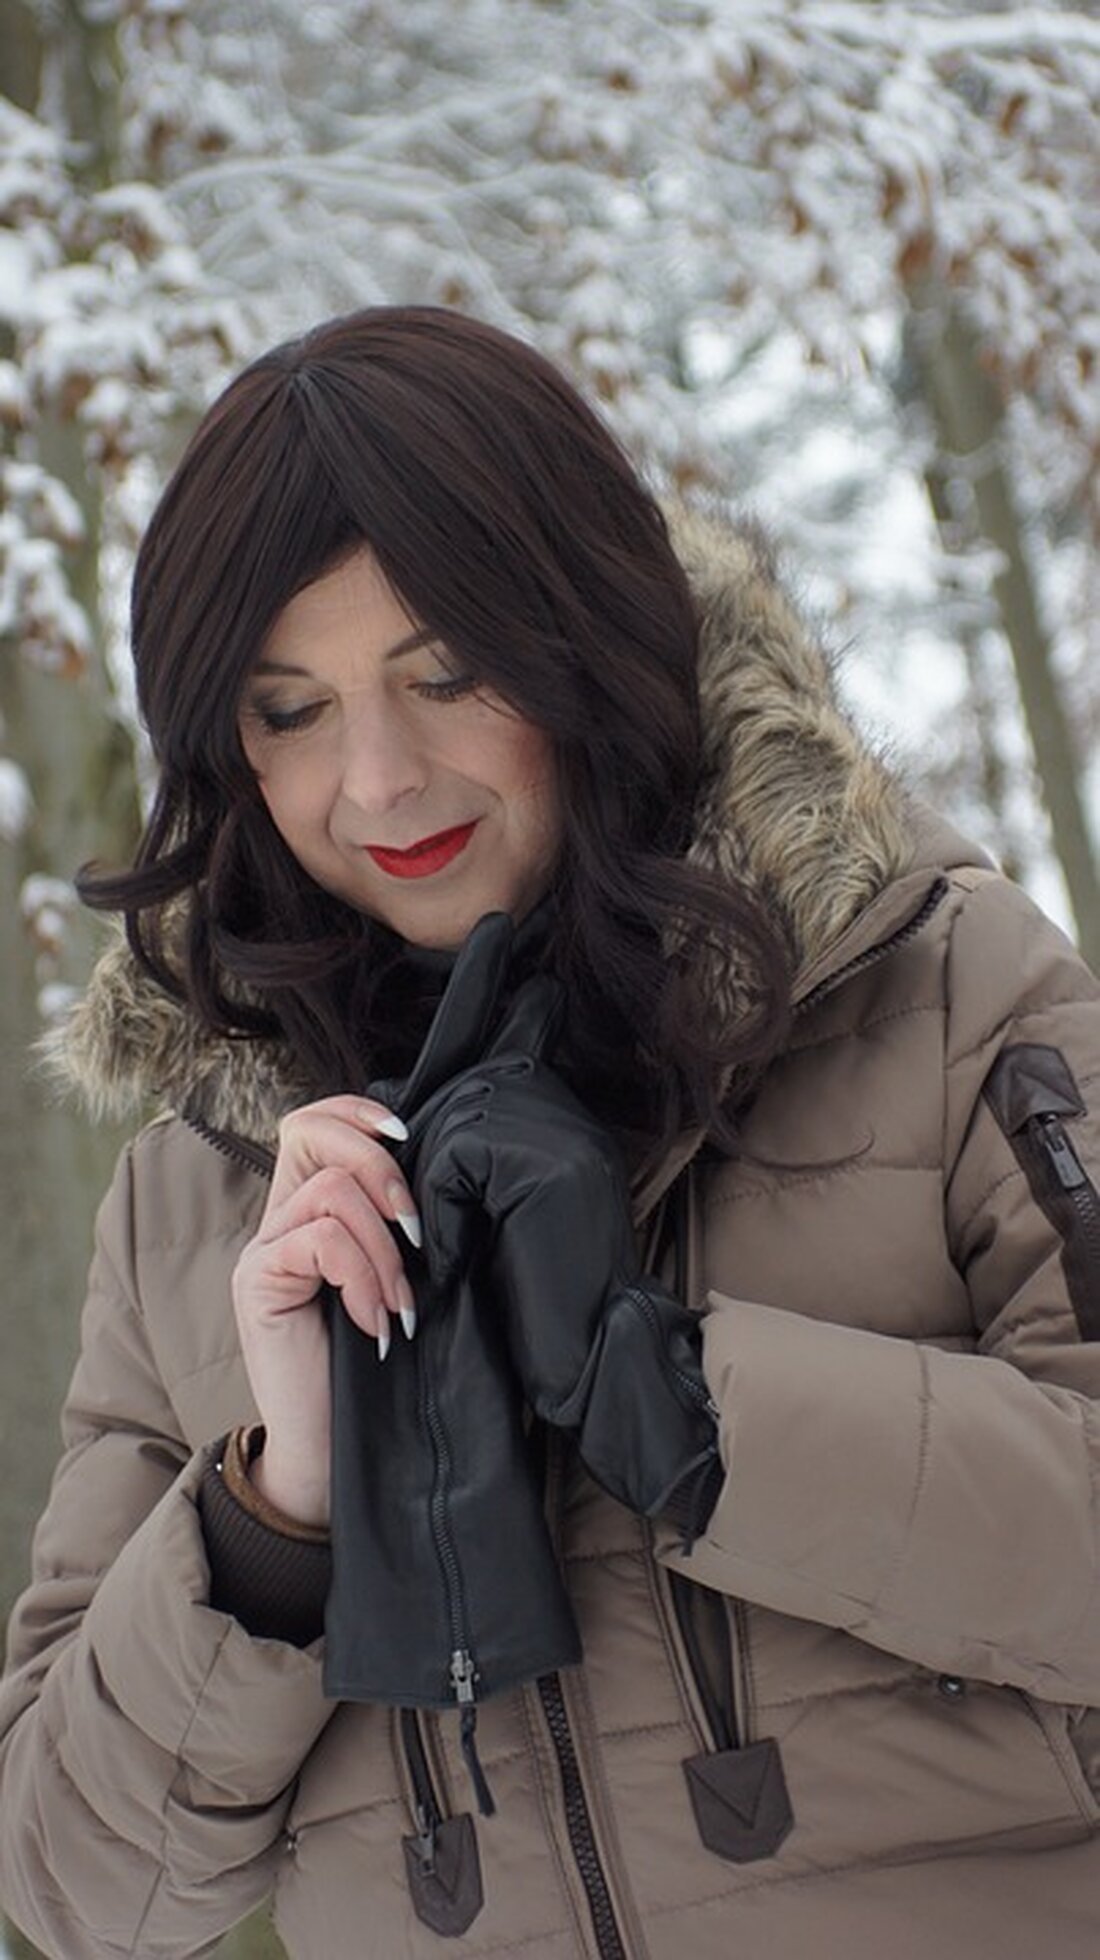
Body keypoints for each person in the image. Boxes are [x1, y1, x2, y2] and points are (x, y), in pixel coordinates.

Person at [2, 306, 1100, 1960]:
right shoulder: (192, 1197)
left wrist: (668, 1388)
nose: (377, 780)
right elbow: (70, 1892)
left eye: (446, 672)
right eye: (290, 710)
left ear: (582, 633)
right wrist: (283, 1501)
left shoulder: (939, 987)